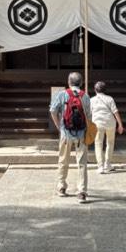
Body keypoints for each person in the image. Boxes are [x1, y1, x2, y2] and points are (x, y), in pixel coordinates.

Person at [49, 71, 92, 203]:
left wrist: (58, 126)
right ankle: (82, 191)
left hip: (65, 132)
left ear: (69, 82)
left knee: (63, 159)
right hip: (81, 134)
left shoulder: (62, 94)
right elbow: (89, 116)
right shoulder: (85, 96)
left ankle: (61, 187)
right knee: (82, 163)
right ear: (81, 83)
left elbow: (53, 110)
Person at [90, 81, 124, 173]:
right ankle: (107, 164)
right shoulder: (110, 99)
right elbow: (115, 112)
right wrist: (120, 124)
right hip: (110, 123)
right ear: (105, 90)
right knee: (110, 143)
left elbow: (89, 113)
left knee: (98, 144)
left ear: (95, 90)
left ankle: (100, 166)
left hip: (97, 123)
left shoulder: (92, 100)